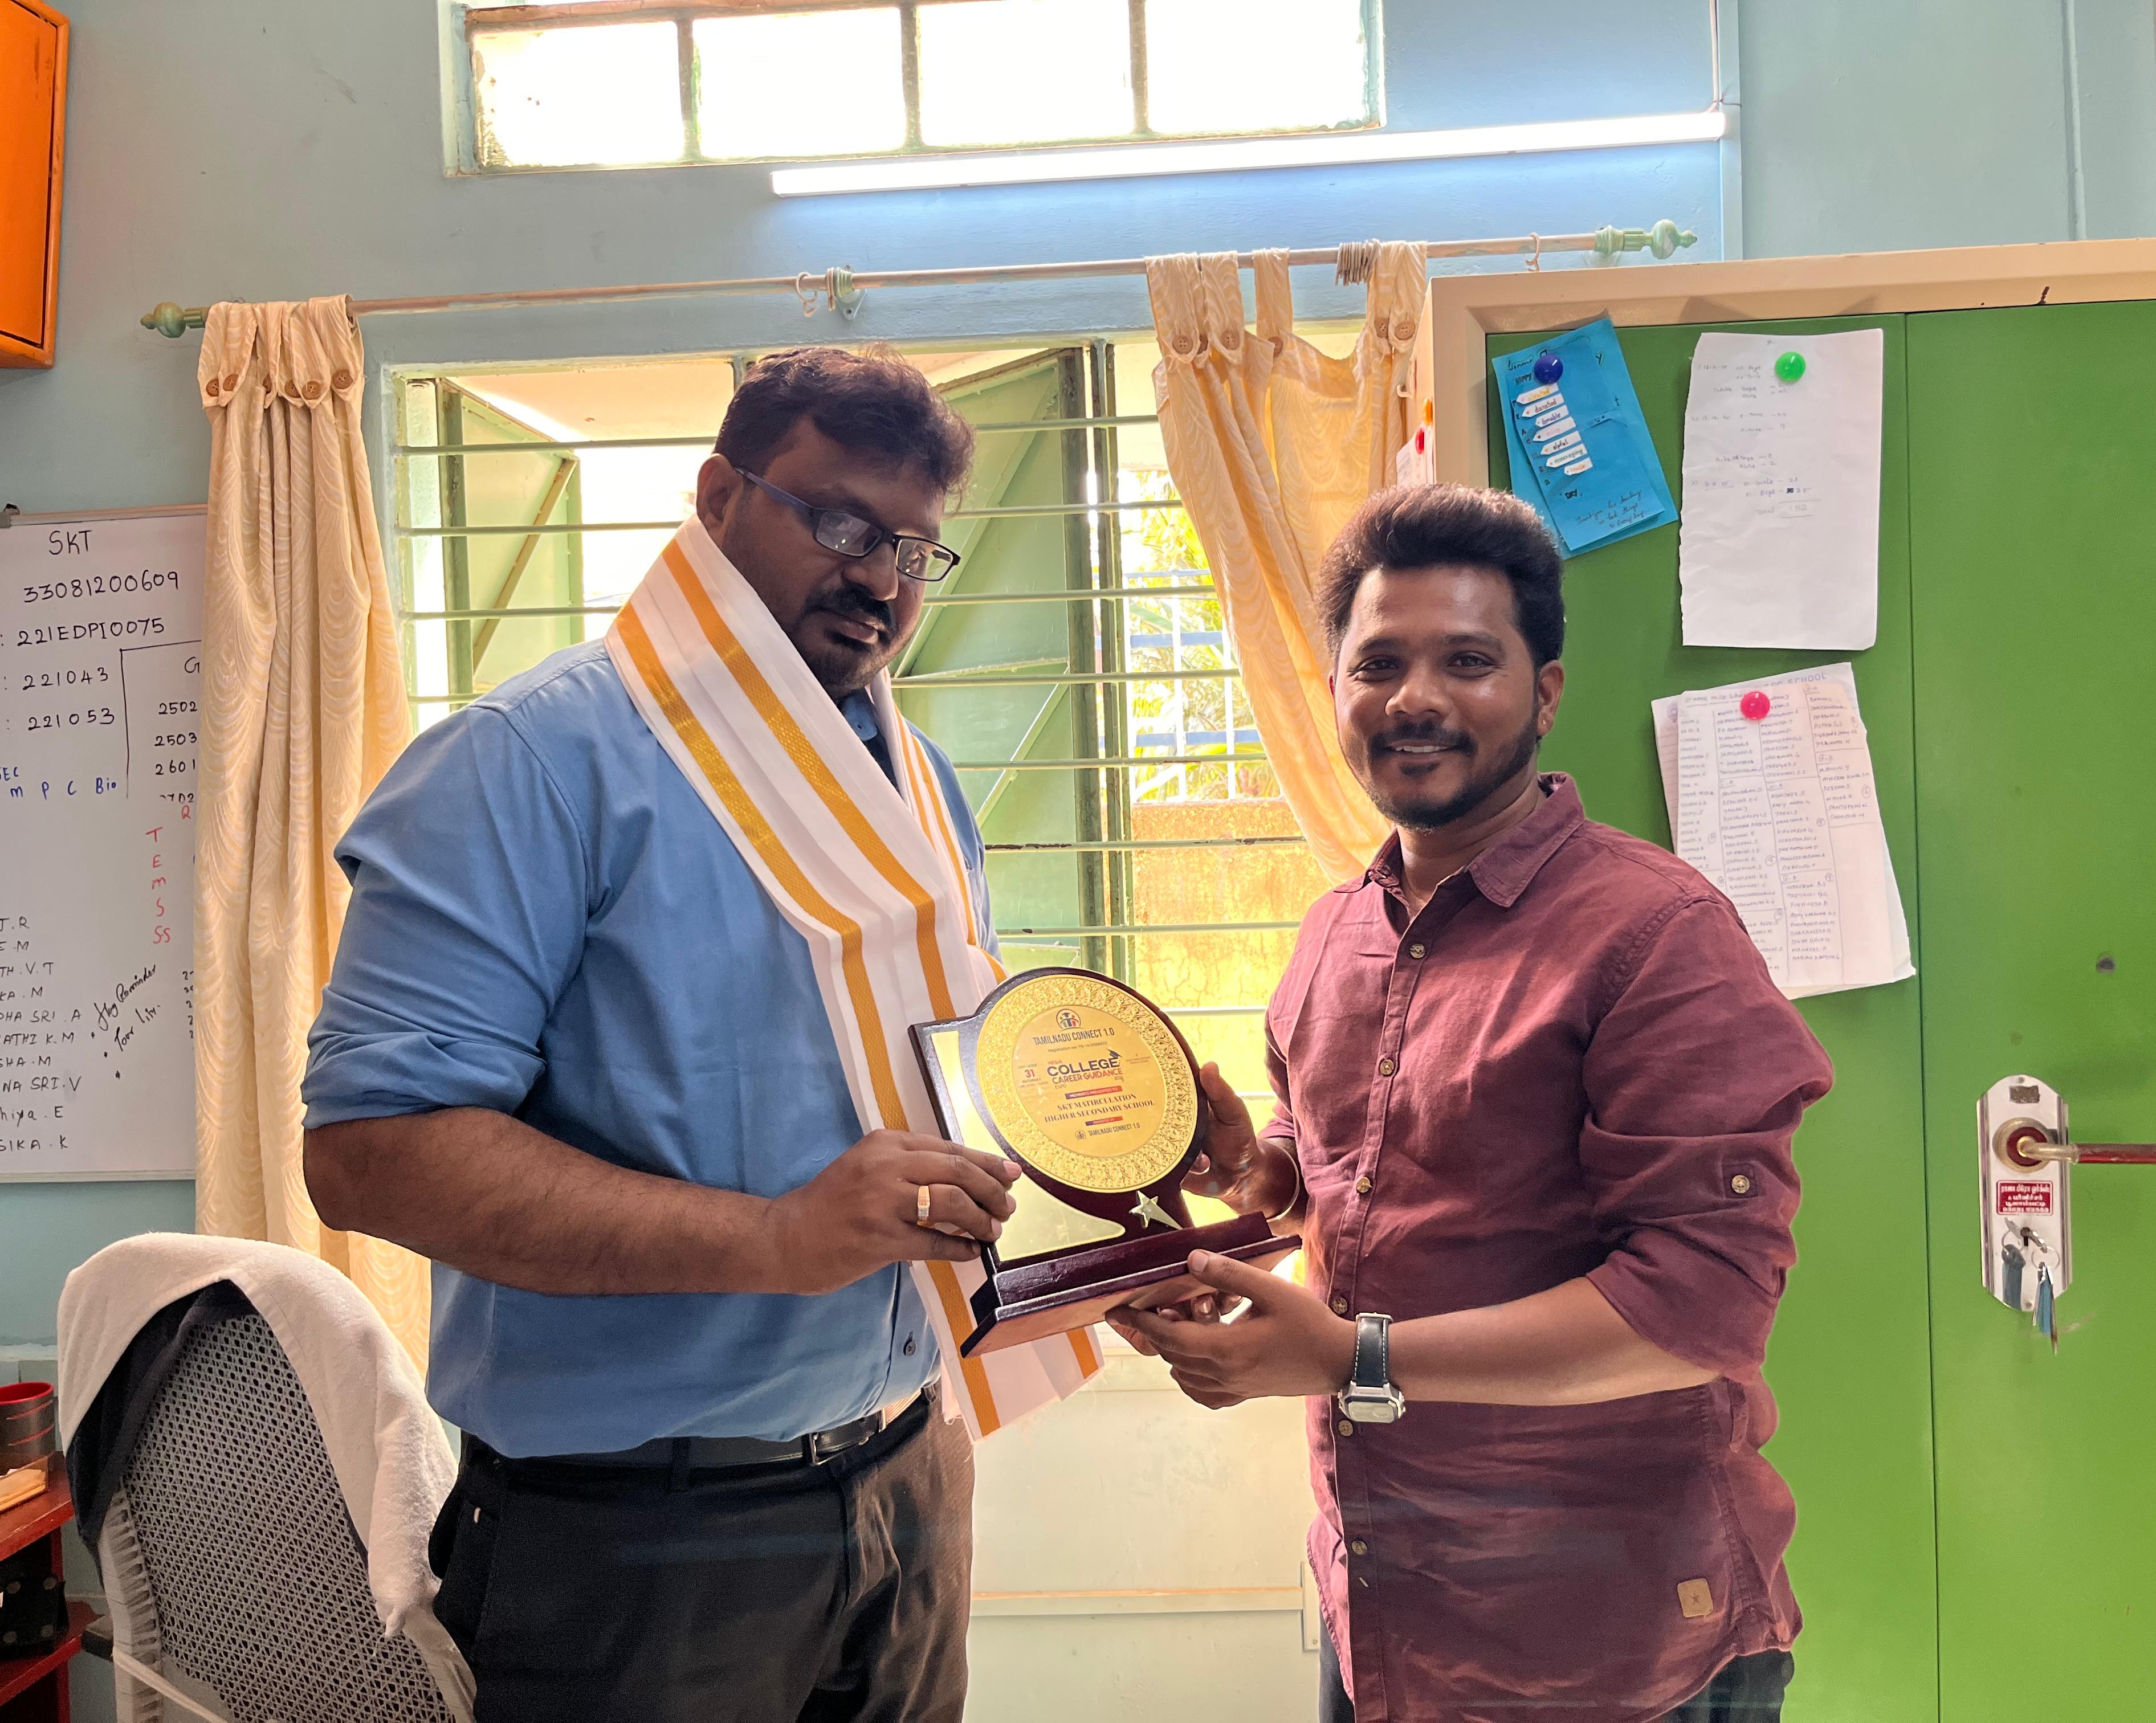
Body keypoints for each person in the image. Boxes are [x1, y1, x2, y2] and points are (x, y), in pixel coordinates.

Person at [301, 346, 1034, 1722]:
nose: (879, 580)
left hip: (908, 1473)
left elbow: (939, 1065)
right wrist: (773, 1240)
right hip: (642, 1535)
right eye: (840, 523)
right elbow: (370, 1154)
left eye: (913, 550)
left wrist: (1136, 1155)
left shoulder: (915, 779)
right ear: (717, 497)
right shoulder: (529, 761)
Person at [1110, 484, 1834, 1723]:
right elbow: (1338, 1165)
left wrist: (1351, 1357)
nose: (1415, 698)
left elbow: (1703, 1305)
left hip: (1608, 1641)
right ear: (1335, 690)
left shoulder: (1658, 934)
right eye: (1378, 663)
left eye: (1467, 661)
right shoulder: (1336, 931)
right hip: (1384, 1608)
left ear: (1544, 694)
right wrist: (1254, 1180)